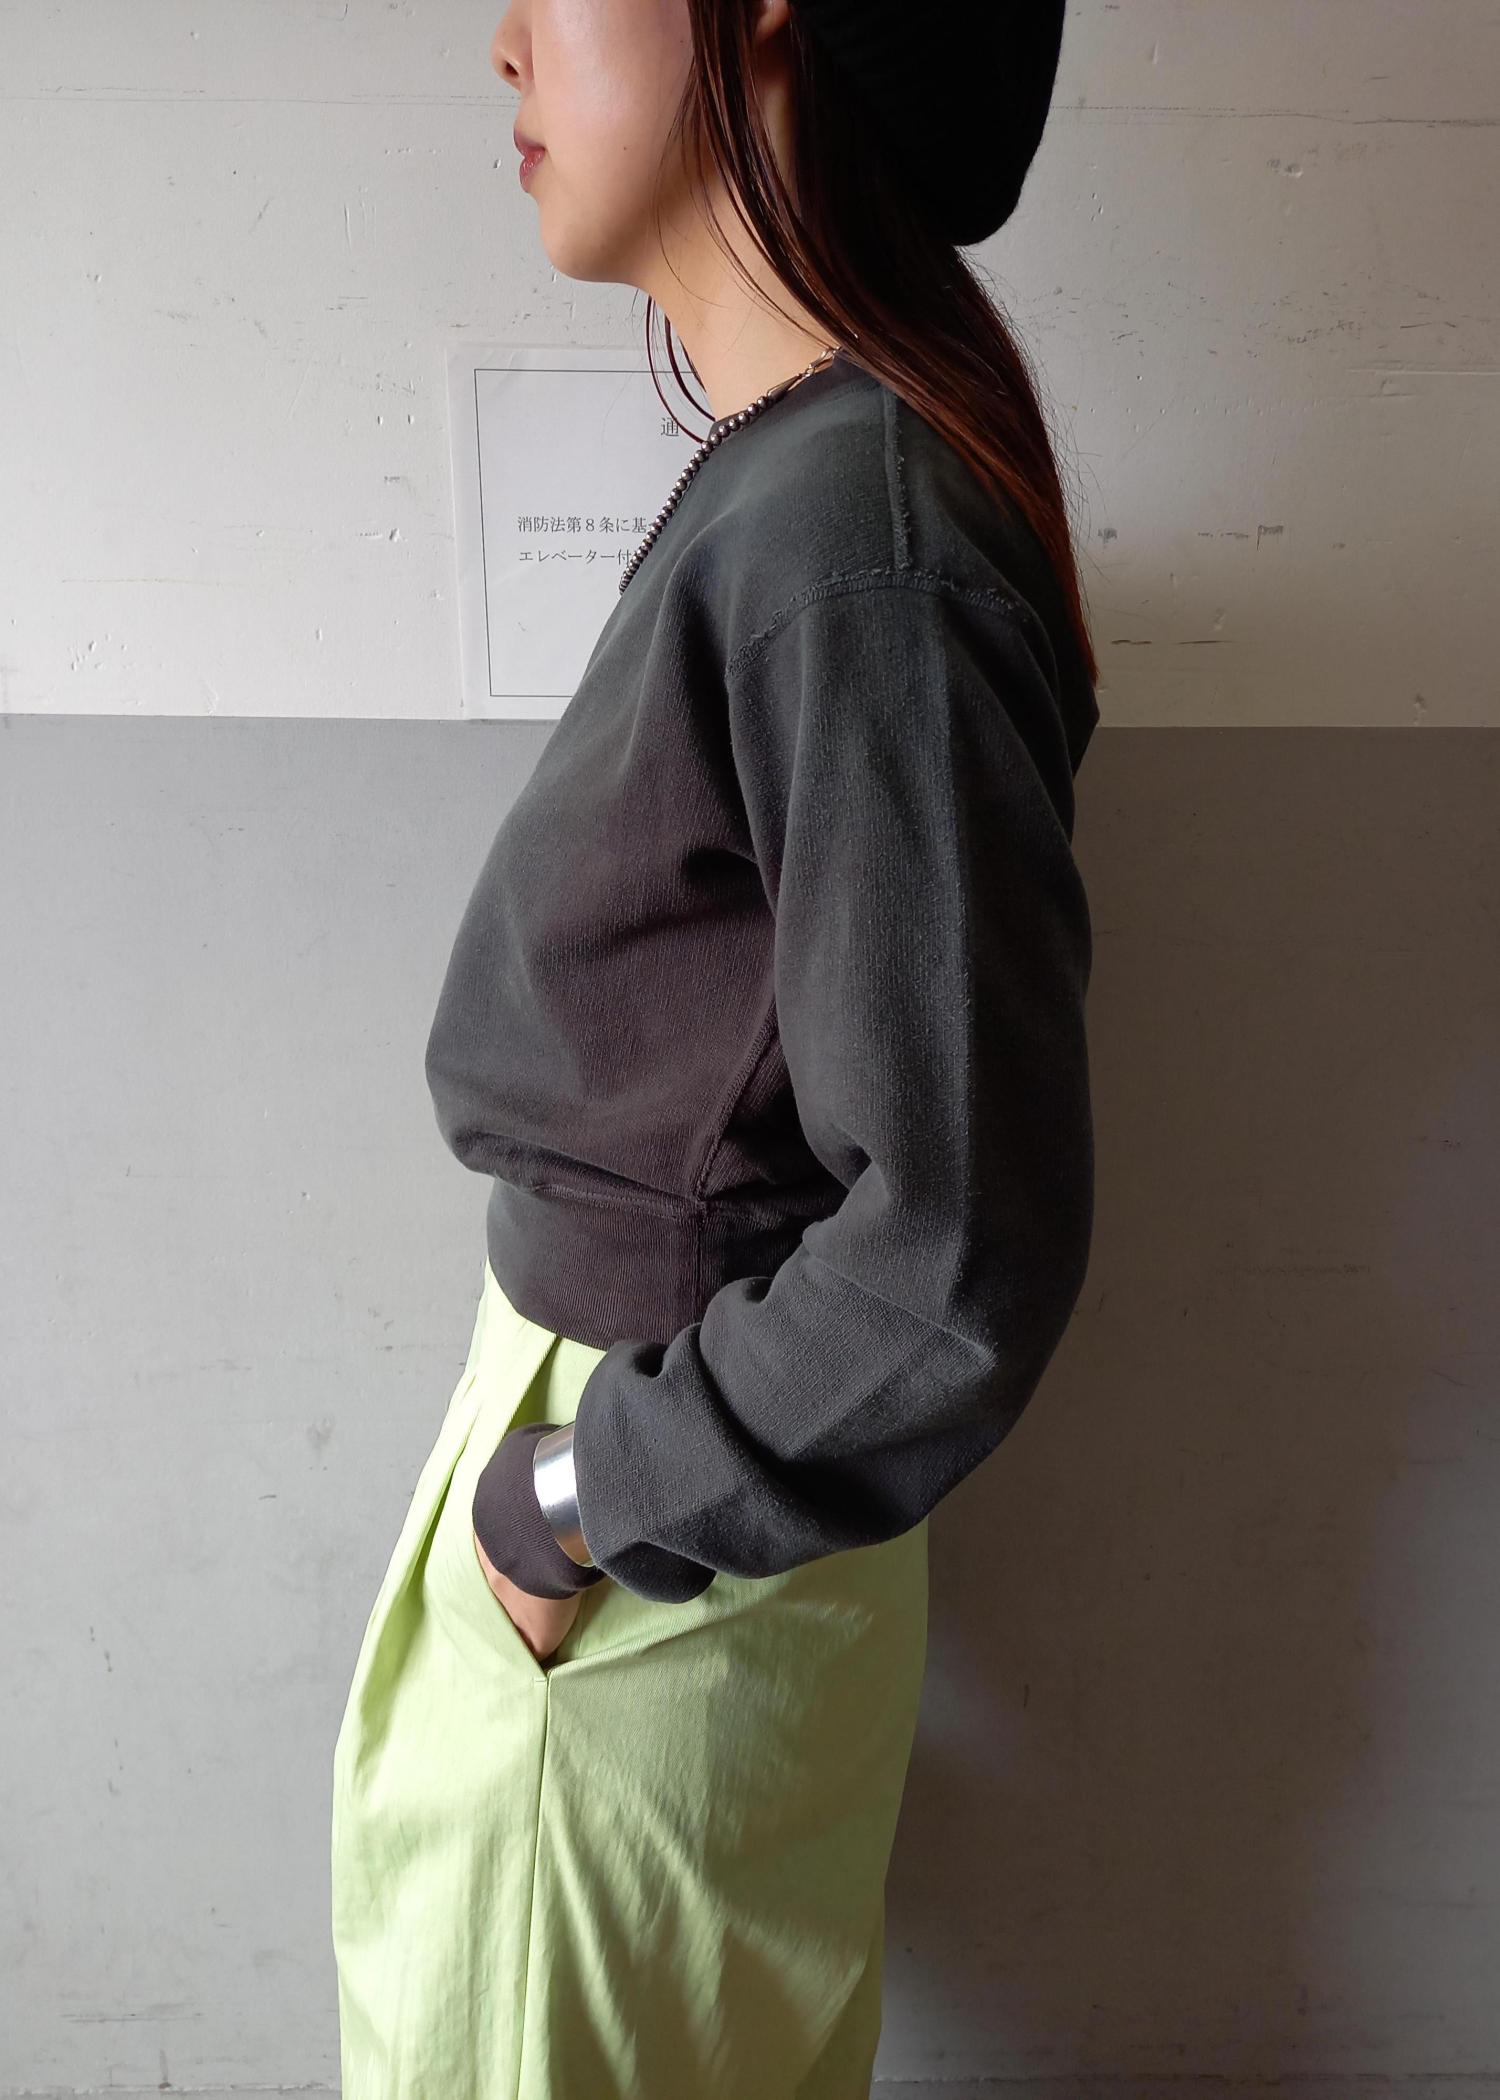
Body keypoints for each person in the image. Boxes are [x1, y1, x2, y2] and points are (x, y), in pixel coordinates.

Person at [330, 1, 1099, 2093]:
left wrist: (563, 1506)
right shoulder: (811, 486)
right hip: (649, 1518)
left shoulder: (854, 539)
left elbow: (953, 1253)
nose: (503, 43)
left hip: (636, 1547)